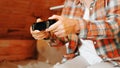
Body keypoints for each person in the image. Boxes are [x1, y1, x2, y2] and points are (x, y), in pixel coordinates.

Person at [30, 0, 120, 68]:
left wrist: (77, 26)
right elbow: (64, 37)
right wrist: (48, 35)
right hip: (82, 57)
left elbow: (115, 27)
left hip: (112, 59)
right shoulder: (70, 3)